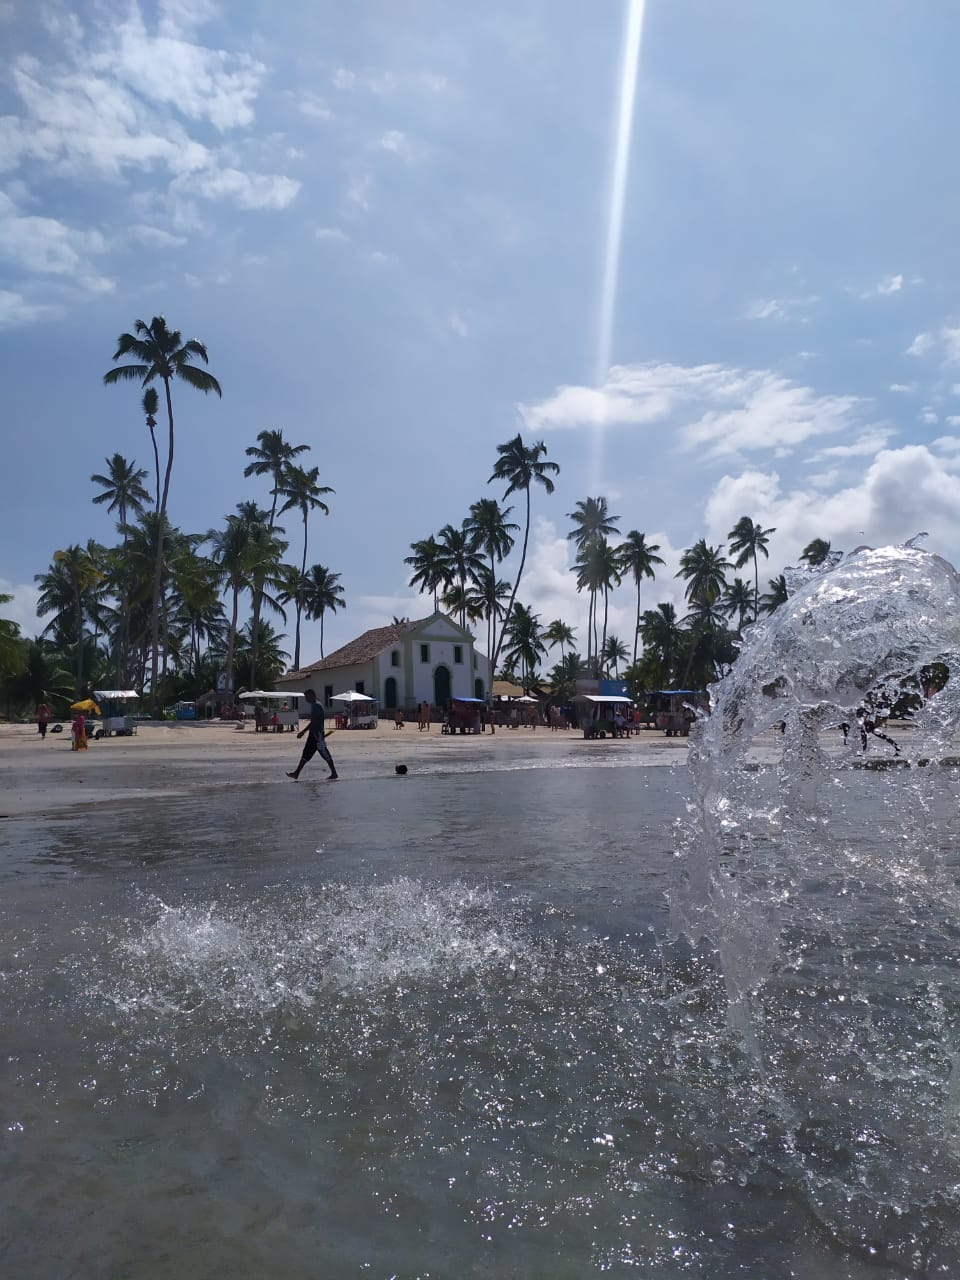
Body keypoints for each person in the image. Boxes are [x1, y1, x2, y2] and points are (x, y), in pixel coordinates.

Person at [287, 688, 338, 780]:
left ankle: (334, 773)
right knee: (306, 752)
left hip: (317, 734)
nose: (306, 699)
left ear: (312, 695)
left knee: (324, 753)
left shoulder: (316, 706)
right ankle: (296, 773)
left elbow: (314, 721)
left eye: (307, 697)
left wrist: (303, 732)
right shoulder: (314, 705)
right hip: (314, 733)